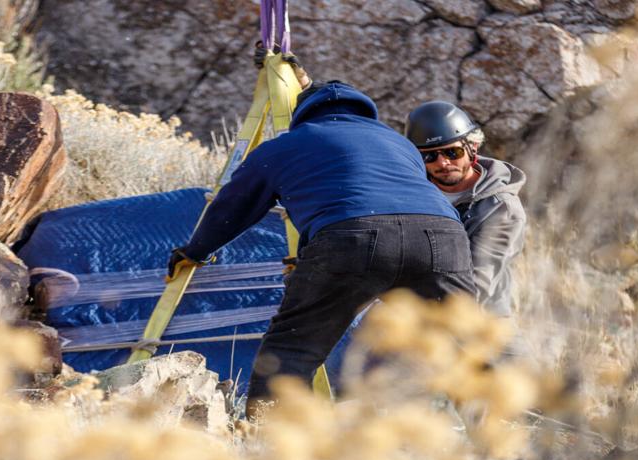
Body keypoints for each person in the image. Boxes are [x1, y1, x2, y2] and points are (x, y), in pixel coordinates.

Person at [169, 70, 474, 400]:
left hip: (352, 238)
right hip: (443, 236)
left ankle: (267, 440)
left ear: (304, 115)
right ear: (363, 111)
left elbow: (233, 207)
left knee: (292, 351)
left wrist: (196, 250)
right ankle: (509, 433)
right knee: (468, 344)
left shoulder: (283, 147)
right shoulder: (399, 143)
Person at [404, 101, 527, 317]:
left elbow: (476, 286)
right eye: (429, 156)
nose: (442, 163)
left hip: (481, 324)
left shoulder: (501, 208)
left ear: (473, 148)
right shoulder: (411, 192)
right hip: (411, 317)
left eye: (453, 152)